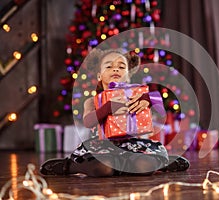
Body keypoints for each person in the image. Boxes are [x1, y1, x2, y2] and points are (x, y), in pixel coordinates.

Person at [40, 49, 190, 177]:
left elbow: (160, 109)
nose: (116, 69)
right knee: (103, 168)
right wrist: (108, 108)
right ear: (99, 76)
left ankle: (158, 163)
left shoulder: (135, 95)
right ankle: (69, 166)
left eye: (121, 66)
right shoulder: (92, 101)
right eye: (109, 66)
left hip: (131, 145)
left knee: (144, 166)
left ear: (128, 75)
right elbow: (88, 122)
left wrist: (148, 99)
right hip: (102, 147)